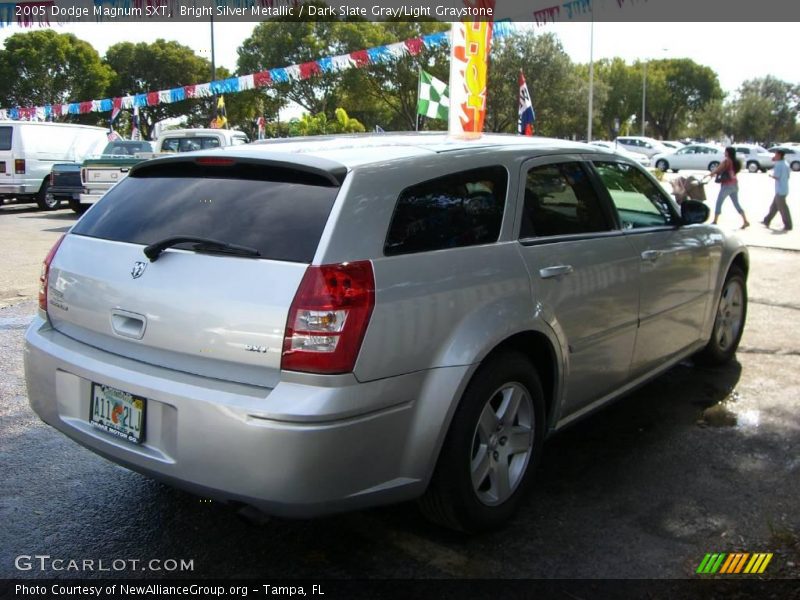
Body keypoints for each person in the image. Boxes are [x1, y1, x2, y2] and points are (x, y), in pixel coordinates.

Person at [708, 146, 750, 229]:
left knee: (719, 202)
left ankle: (715, 221)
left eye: (725, 151)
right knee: (736, 203)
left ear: (728, 152)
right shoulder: (735, 162)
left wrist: (711, 173)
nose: (724, 152)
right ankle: (745, 220)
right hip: (734, 184)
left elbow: (718, 169)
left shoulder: (726, 161)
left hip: (727, 185)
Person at [762, 148, 792, 231]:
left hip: (780, 190)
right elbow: (788, 176)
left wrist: (770, 175)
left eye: (776, 154)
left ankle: (788, 225)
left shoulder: (779, 164)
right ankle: (766, 220)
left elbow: (776, 176)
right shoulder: (786, 163)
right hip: (784, 189)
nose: (775, 156)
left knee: (783, 209)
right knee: (774, 207)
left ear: (779, 155)